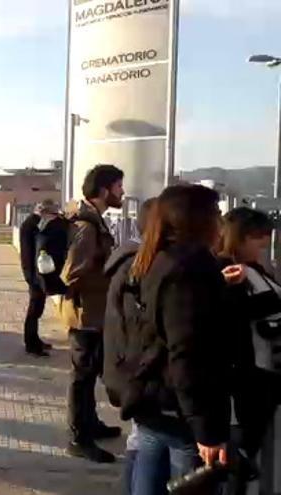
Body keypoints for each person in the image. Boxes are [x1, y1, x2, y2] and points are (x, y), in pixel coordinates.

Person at [106, 185, 231, 494]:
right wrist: (207, 429)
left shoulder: (151, 259)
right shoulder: (190, 268)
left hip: (150, 399)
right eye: (216, 213)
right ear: (197, 219)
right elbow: (187, 352)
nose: (221, 222)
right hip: (179, 410)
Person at [60, 164, 125, 463]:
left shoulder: (93, 220)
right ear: (104, 190)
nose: (122, 192)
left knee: (89, 374)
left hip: (93, 313)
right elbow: (72, 274)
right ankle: (78, 438)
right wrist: (111, 275)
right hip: (84, 314)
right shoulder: (86, 227)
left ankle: (91, 424)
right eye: (118, 186)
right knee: (82, 378)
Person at [217, 207, 281, 494]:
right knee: (241, 452)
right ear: (239, 238)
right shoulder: (231, 271)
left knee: (249, 449)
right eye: (259, 237)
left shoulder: (253, 269)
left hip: (260, 372)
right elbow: (241, 313)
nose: (266, 243)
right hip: (250, 375)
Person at [103, 197, 159, 493]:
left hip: (135, 381)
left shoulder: (129, 260)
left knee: (140, 443)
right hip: (149, 386)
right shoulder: (142, 266)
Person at [19, 199, 68, 357]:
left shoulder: (34, 223)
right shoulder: (32, 225)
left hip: (34, 273)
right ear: (44, 212)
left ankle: (34, 340)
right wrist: (32, 276)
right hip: (33, 274)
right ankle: (31, 344)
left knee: (37, 308)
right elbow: (30, 253)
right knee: (34, 310)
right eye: (52, 214)